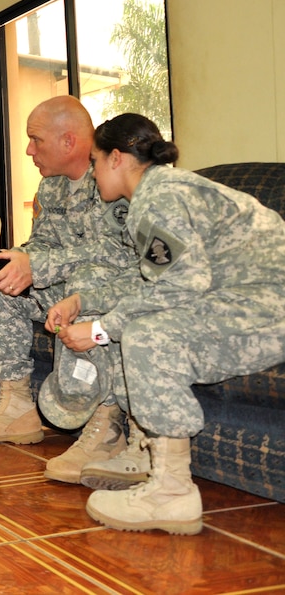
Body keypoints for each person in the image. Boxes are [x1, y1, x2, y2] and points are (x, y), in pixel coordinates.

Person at [52, 113, 285, 534]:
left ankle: (172, 492)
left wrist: (101, 329)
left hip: (269, 309)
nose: (92, 174)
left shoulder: (157, 198)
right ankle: (151, 459)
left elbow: (180, 284)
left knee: (147, 336)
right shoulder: (162, 190)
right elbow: (152, 278)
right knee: (141, 322)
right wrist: (83, 301)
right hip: (252, 301)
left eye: (96, 162)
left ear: (117, 158)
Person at [0, 95, 139, 486]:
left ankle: (109, 427)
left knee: (89, 284)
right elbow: (45, 243)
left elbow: (117, 253)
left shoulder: (115, 176)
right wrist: (18, 258)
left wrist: (40, 265)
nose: (29, 150)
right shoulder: (51, 187)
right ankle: (16, 407)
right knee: (1, 285)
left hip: (110, 293)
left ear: (69, 142)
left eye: (36, 140)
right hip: (63, 289)